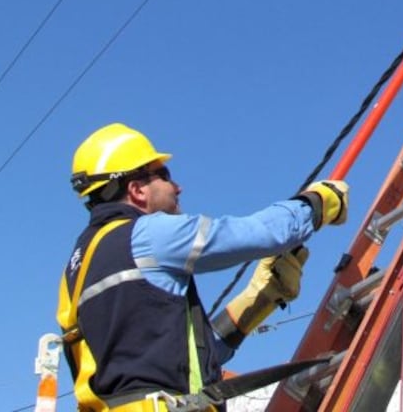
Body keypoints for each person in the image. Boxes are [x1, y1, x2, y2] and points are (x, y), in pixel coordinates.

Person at [56, 123, 348, 412]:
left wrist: (258, 299)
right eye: (164, 175)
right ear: (137, 190)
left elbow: (180, 361)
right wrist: (318, 203)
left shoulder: (76, 271)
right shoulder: (149, 235)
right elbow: (257, 234)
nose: (177, 187)